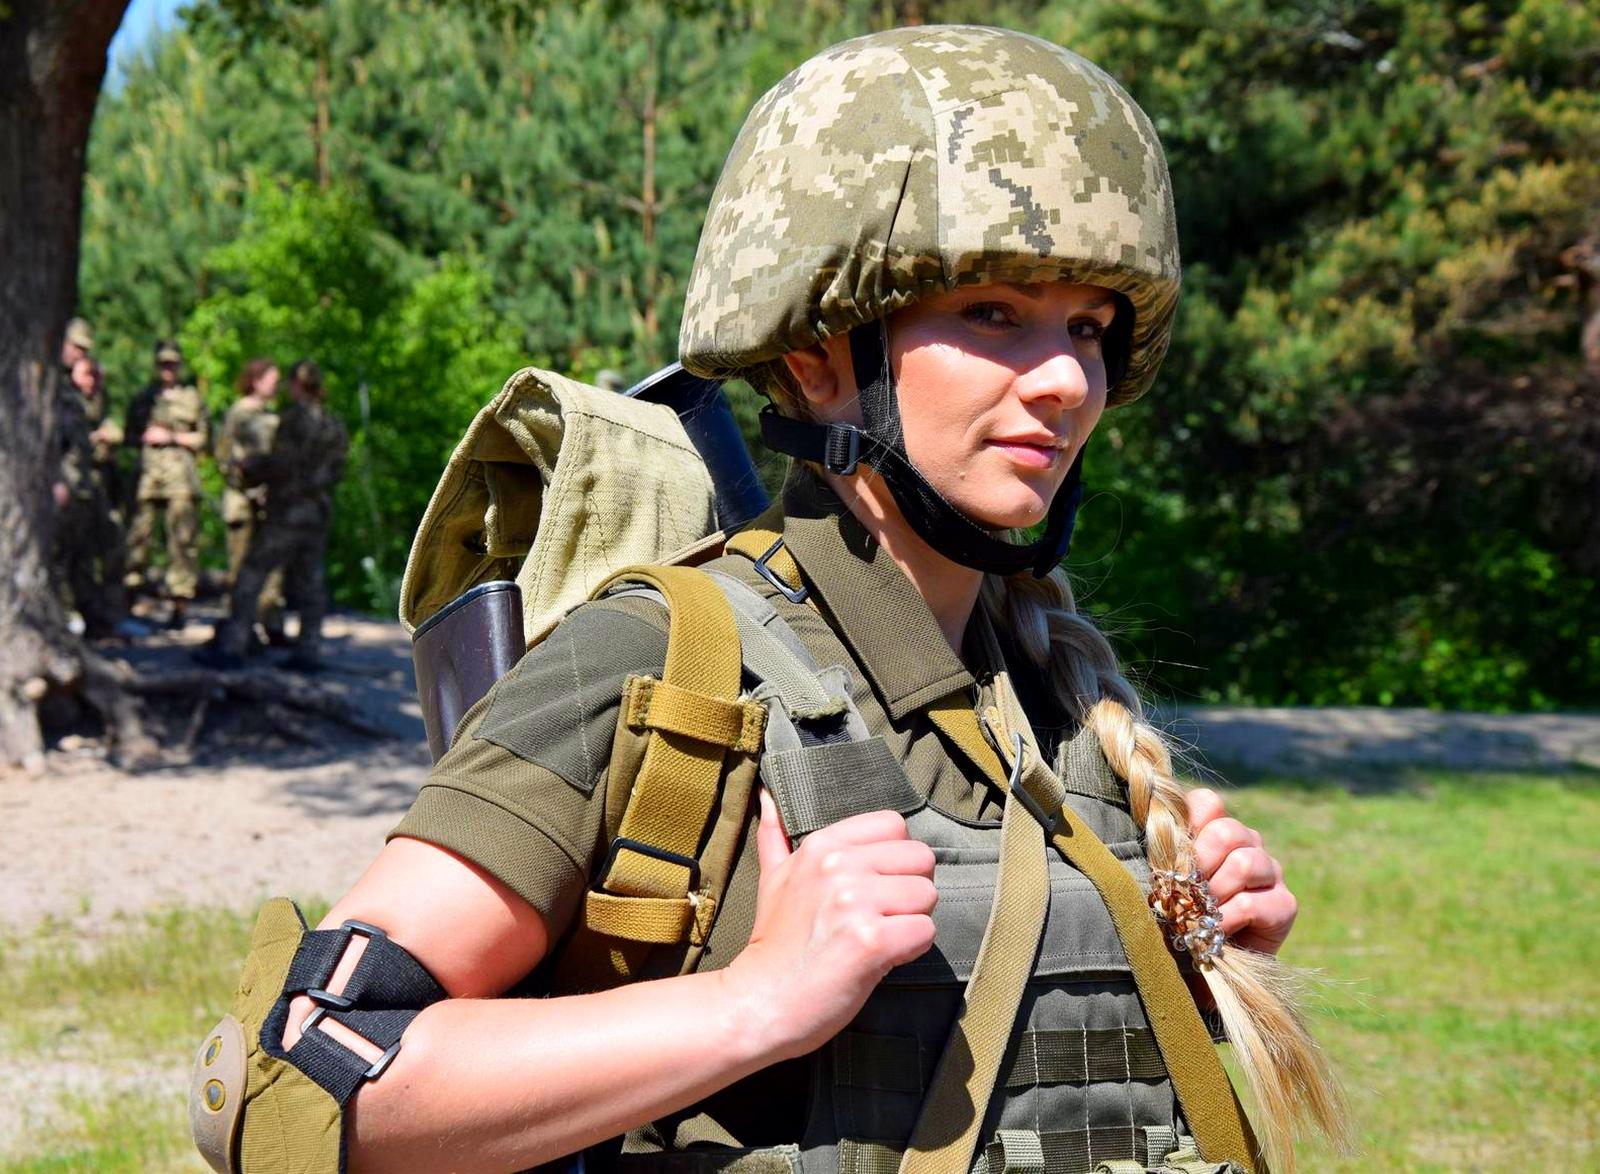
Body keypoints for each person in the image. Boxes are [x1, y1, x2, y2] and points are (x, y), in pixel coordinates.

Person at [194, 27, 1342, 1174]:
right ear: (816, 357)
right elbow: (294, 1083)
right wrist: (755, 1002)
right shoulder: (653, 662)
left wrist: (1165, 960)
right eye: (993, 312)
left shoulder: (1049, 691)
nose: (1062, 378)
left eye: (1088, 327)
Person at [213, 358, 348, 671]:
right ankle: (308, 651)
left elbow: (280, 464)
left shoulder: (291, 420)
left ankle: (233, 646)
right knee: (311, 581)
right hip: (317, 511)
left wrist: (251, 469)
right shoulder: (333, 424)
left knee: (251, 572)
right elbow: (337, 471)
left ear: (296, 384)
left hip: (287, 511)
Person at [124, 339, 208, 628]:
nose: (168, 369)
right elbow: (129, 438)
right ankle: (129, 598)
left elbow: (204, 439)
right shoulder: (143, 399)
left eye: (172, 363)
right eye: (163, 363)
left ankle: (179, 606)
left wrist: (172, 437)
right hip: (147, 477)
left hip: (181, 479)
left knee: (182, 542)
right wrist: (144, 437)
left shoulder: (192, 398)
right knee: (138, 538)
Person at [51, 357, 129, 636]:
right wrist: (58, 481)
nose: (93, 381)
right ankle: (63, 616)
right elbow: (57, 445)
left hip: (87, 490)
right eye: (88, 374)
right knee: (61, 555)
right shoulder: (63, 399)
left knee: (86, 555)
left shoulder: (96, 404)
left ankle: (93, 618)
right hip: (67, 487)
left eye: (96, 376)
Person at [216, 357, 287, 647]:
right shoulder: (239, 413)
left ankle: (272, 626)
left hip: (267, 504)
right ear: (256, 381)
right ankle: (238, 633)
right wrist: (247, 487)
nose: (278, 386)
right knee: (240, 569)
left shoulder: (270, 414)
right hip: (242, 503)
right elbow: (225, 458)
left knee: (272, 569)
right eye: (273, 380)